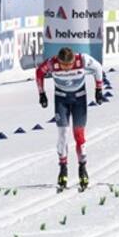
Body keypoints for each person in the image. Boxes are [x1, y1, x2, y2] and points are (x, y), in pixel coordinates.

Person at [36, 47, 103, 192]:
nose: (66, 68)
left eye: (69, 65)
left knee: (79, 135)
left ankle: (82, 168)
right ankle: (63, 168)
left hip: (79, 99)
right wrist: (42, 93)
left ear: (74, 59)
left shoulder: (82, 59)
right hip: (61, 100)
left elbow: (98, 68)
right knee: (63, 133)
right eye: (64, 65)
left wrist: (98, 90)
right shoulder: (52, 63)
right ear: (59, 60)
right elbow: (39, 73)